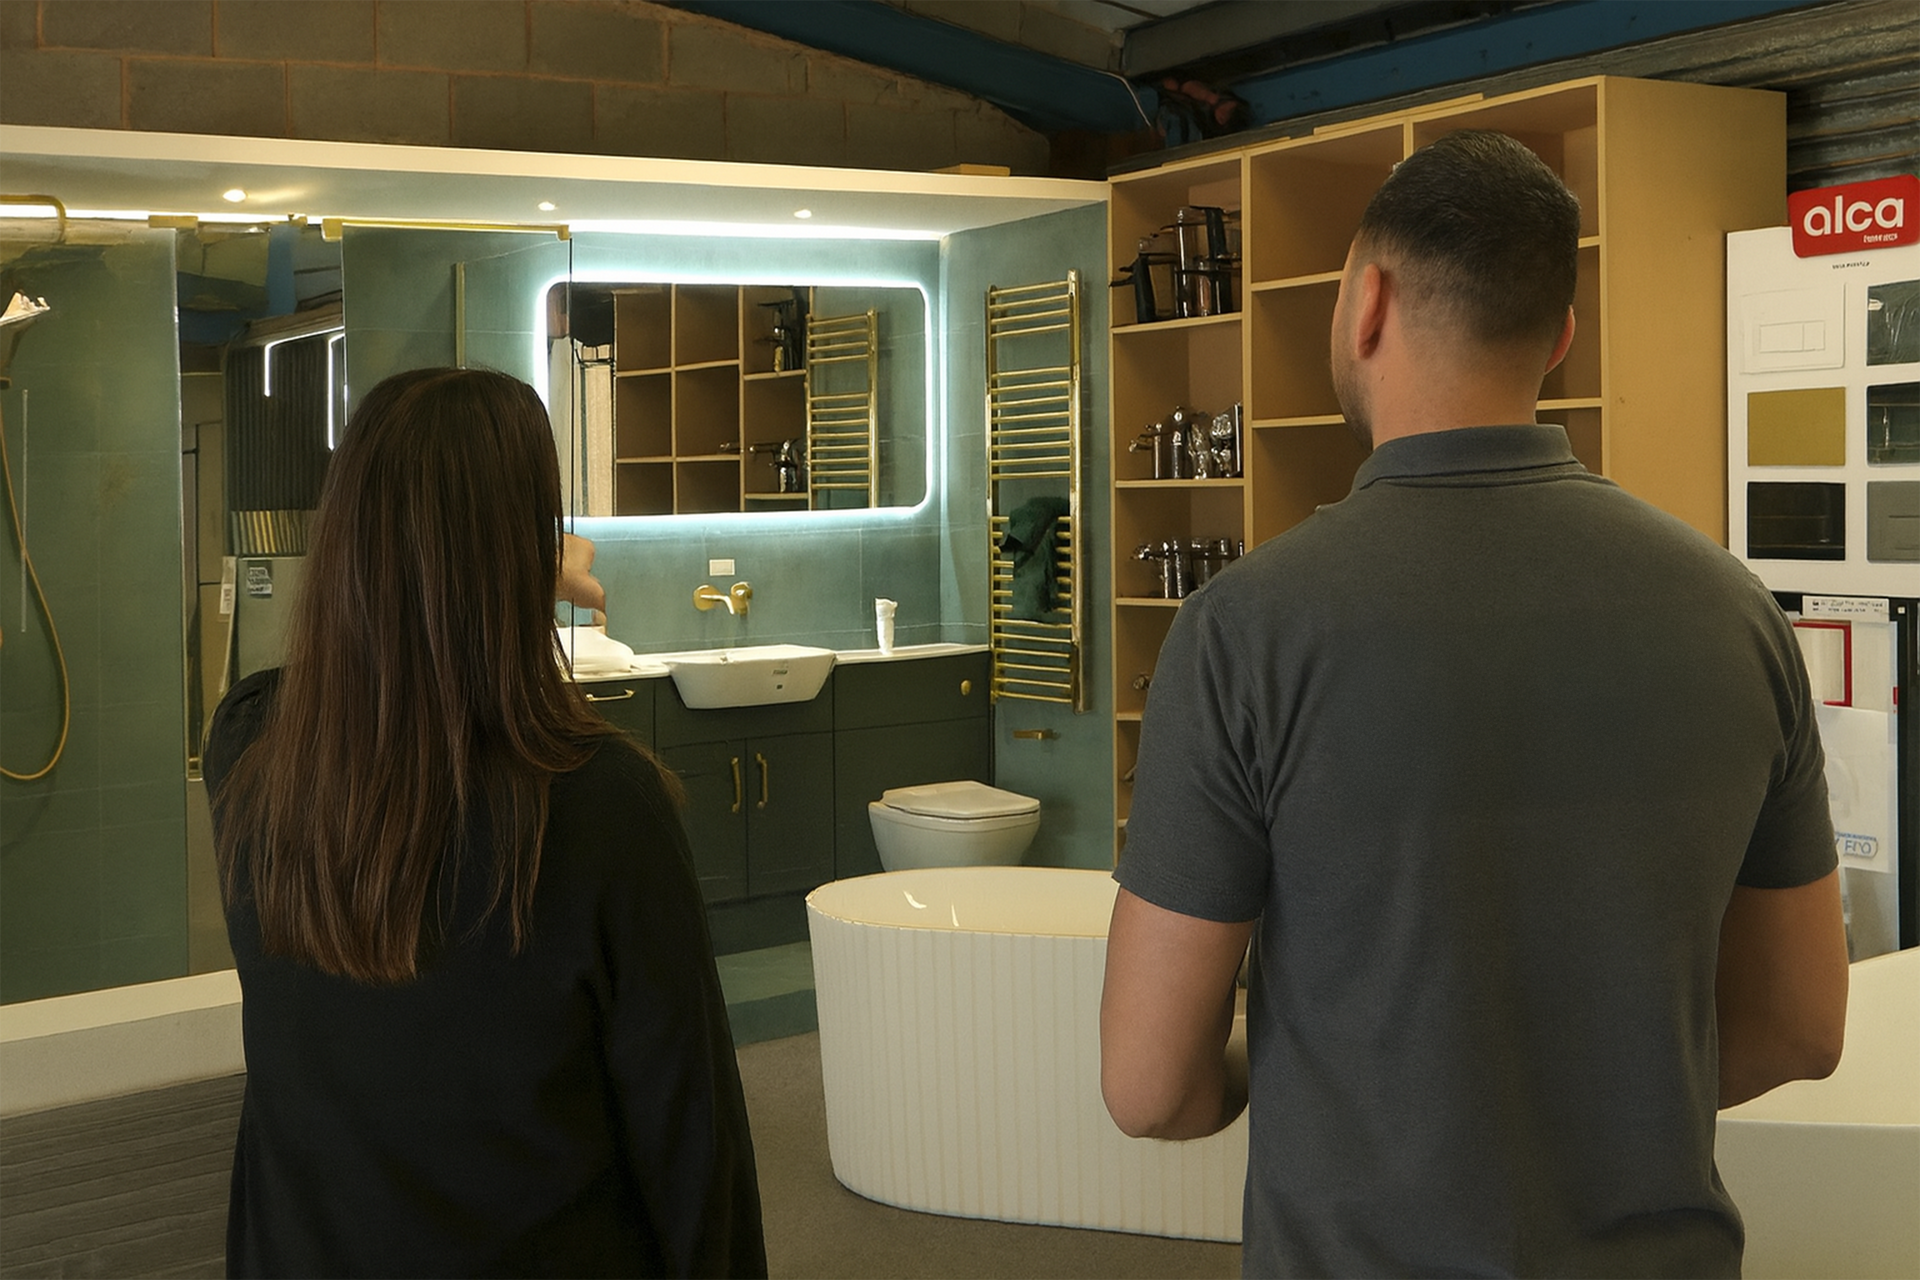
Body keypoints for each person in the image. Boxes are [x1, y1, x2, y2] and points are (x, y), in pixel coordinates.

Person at [1100, 130, 1849, 1278]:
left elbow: (1150, 1085)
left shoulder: (1245, 632)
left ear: (1367, 304)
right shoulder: (1735, 612)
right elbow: (1801, 1023)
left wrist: (1283, 1070)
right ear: (1560, 335)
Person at [205, 367, 766, 1278]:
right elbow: (690, 1136)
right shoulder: (600, 804)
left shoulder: (253, 756)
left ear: (344, 535)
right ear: (521, 548)